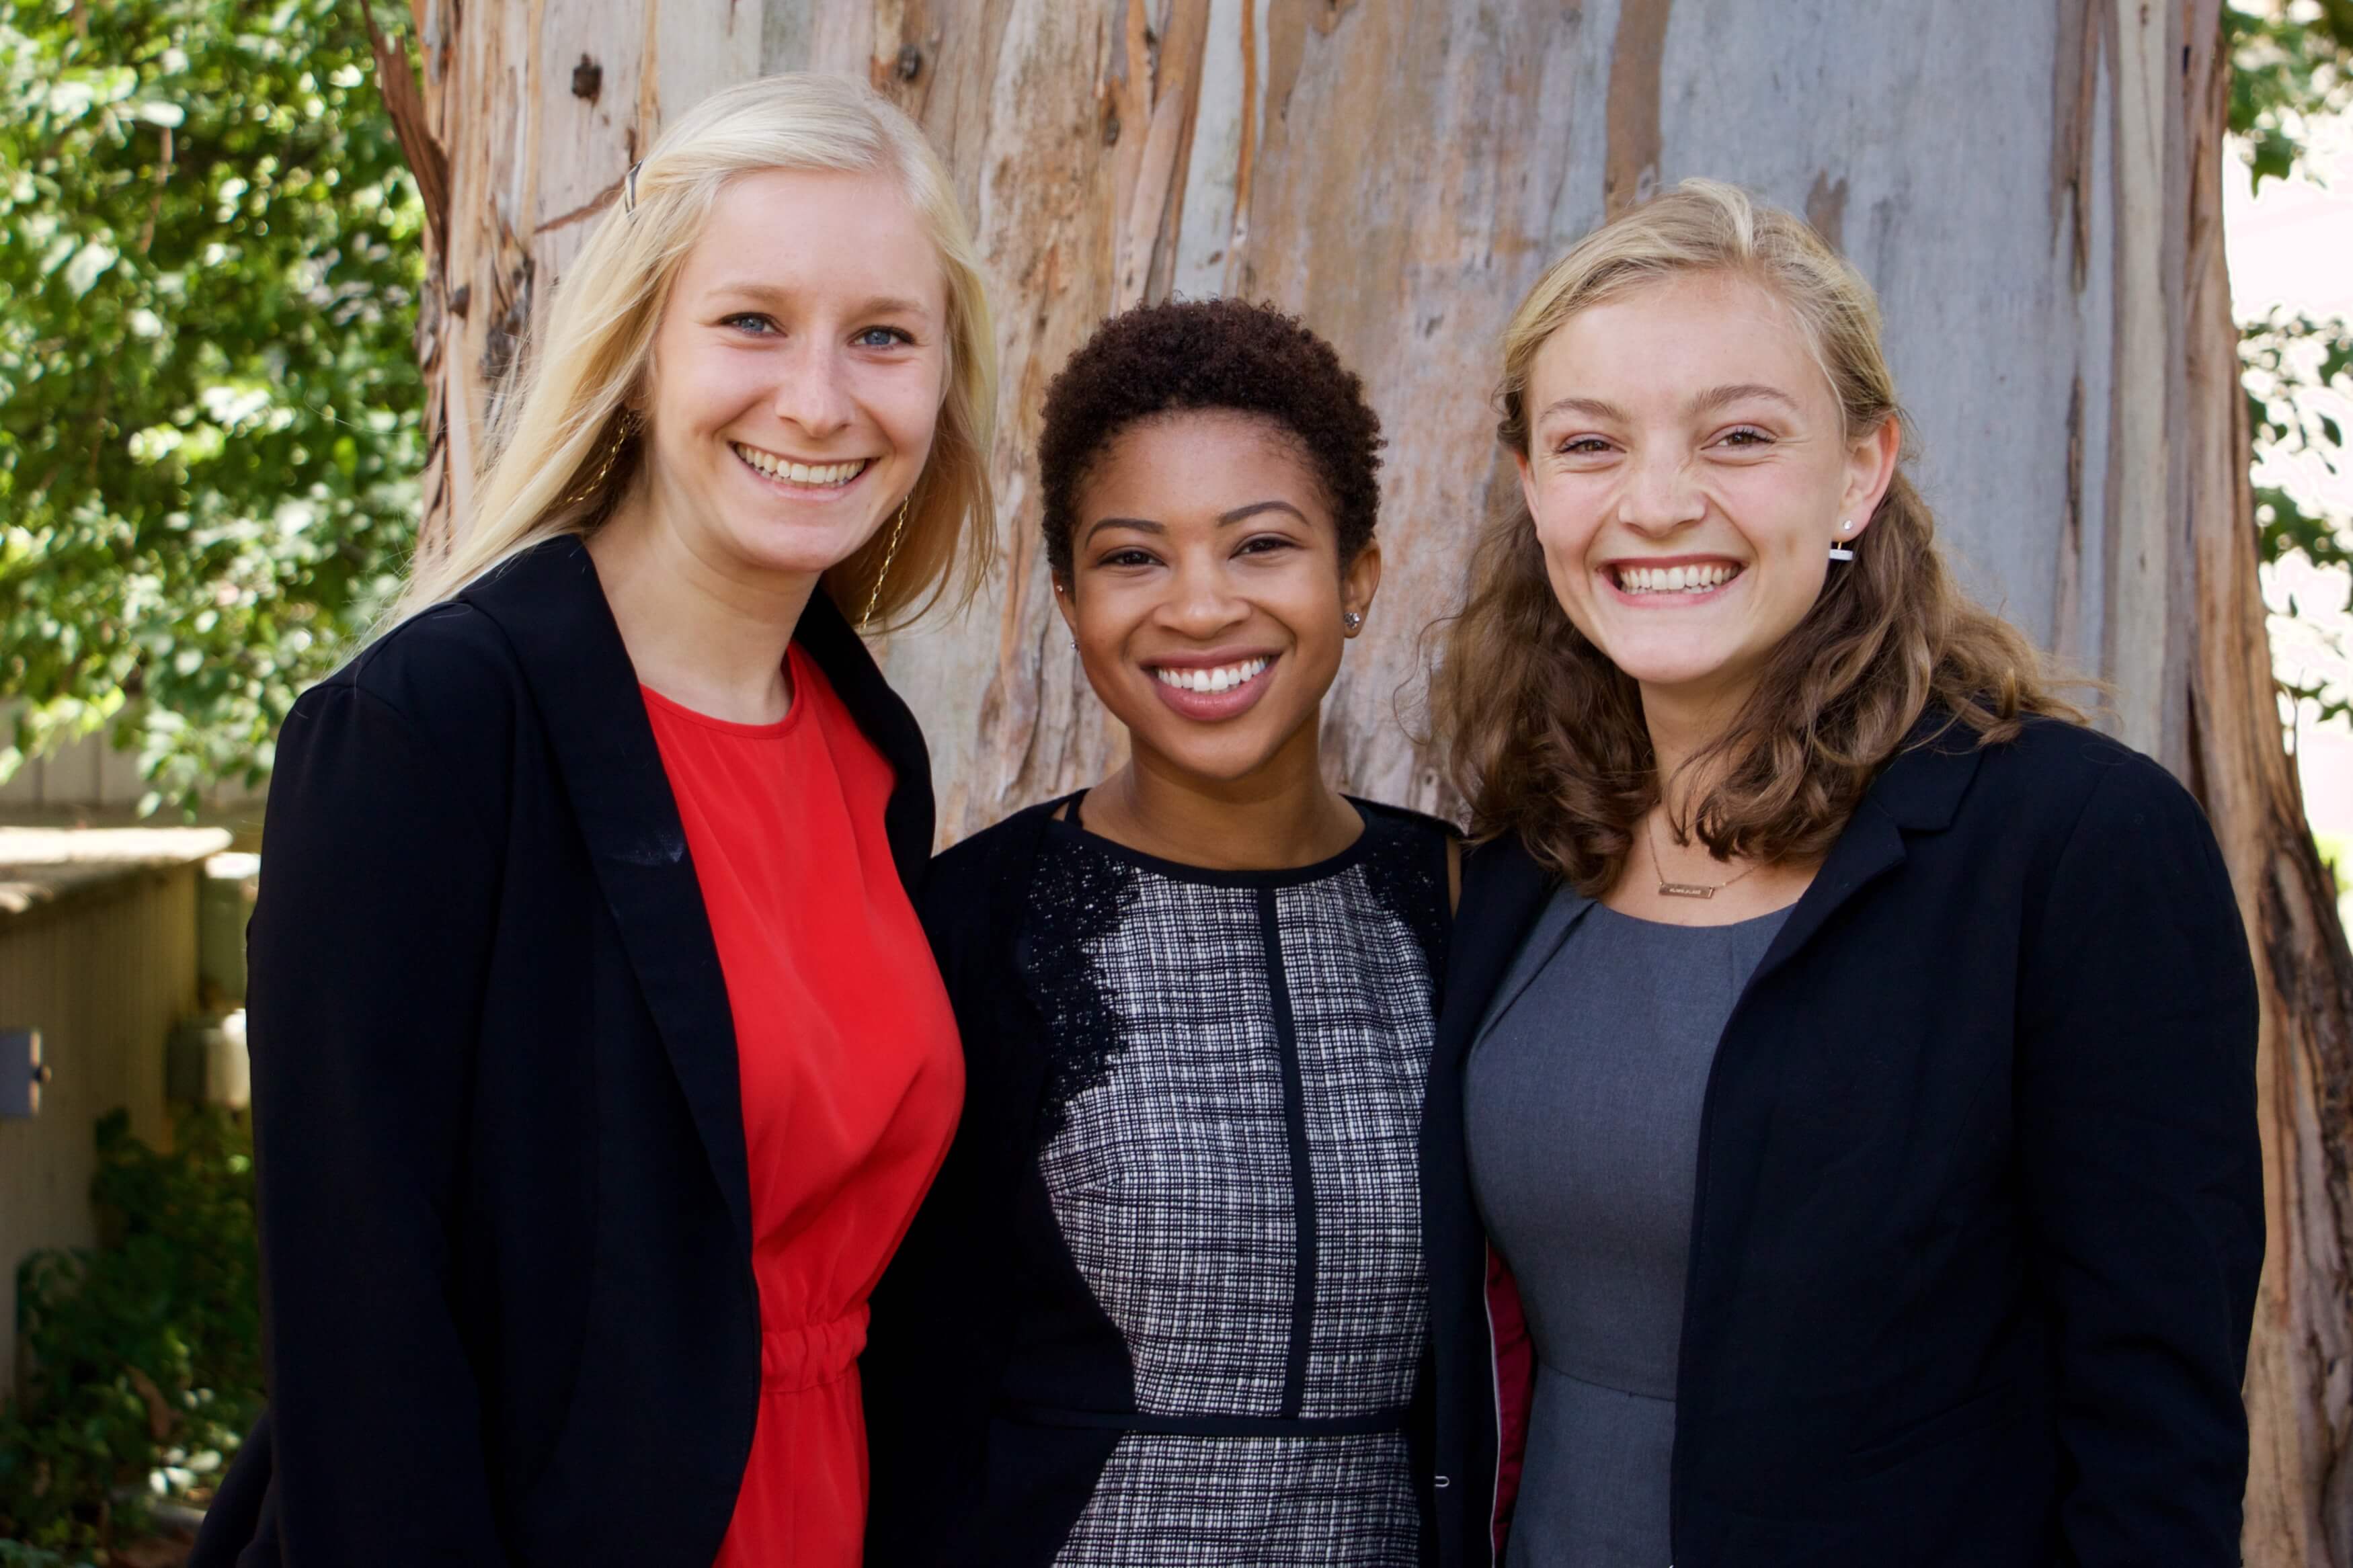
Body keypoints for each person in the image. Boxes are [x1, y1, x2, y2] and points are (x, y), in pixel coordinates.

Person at [190, 74, 996, 1568]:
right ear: (637, 352)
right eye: (752, 321)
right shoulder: (424, 731)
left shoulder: (865, 747)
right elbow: (362, 1338)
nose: (820, 398)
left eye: (883, 335)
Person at [1422, 179, 2264, 1567]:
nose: (1658, 502)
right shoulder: (1527, 852)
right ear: (1531, 485)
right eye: (1589, 445)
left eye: (1738, 436)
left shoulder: (2074, 848)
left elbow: (2155, 1434)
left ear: (1861, 471)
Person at [863, 298, 1455, 1567]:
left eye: (1260, 546)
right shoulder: (966, 927)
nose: (1198, 607)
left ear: (1357, 576)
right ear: (1069, 599)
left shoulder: (1471, 907)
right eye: (1134, 557)